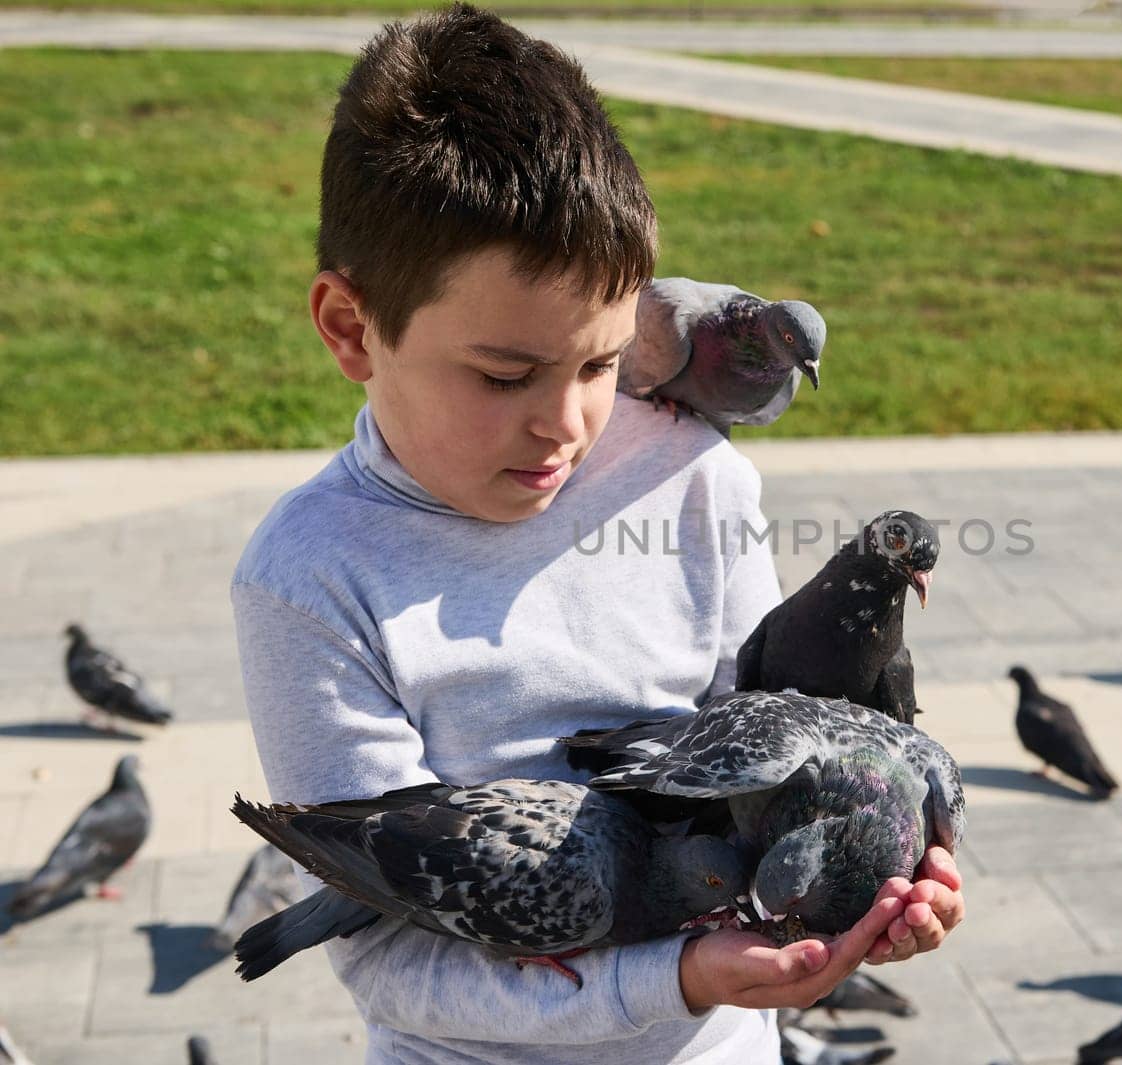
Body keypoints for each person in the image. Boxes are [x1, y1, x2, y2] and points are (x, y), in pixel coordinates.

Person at [230, 6, 964, 1063]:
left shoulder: (693, 477)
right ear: (351, 327)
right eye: (503, 374)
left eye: (602, 362)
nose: (566, 422)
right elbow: (390, 965)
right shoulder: (310, 577)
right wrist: (671, 977)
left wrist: (870, 877)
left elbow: (783, 768)